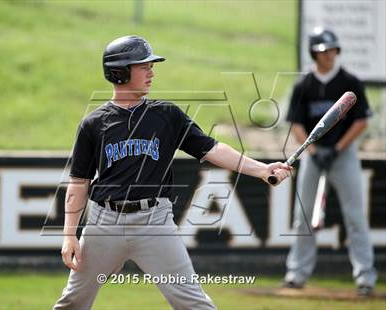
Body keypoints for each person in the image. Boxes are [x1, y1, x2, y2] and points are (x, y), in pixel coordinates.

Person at [53, 35, 291, 310]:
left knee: (194, 304)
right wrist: (69, 235)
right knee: (72, 303)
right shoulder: (93, 124)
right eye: (143, 66)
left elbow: (212, 149)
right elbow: (79, 182)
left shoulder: (166, 115)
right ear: (120, 71)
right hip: (104, 225)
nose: (151, 71)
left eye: (151, 66)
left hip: (154, 223)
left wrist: (262, 169)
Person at [283, 27, 377, 296]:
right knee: (303, 217)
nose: (329, 54)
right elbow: (297, 124)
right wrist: (314, 153)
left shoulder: (350, 82)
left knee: (355, 216)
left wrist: (336, 149)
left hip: (343, 155)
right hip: (314, 156)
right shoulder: (305, 85)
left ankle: (365, 278)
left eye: (333, 49)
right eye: (324, 50)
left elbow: (360, 121)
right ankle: (296, 274)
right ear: (314, 53)